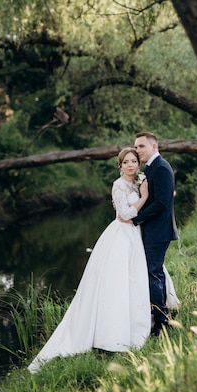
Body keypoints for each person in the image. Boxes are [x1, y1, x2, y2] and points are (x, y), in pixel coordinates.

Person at [27, 148, 152, 373]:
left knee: (134, 281)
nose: (131, 165)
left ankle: (137, 325)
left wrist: (142, 194)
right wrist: (143, 198)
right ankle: (111, 335)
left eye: (134, 161)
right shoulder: (119, 185)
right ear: (120, 165)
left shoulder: (138, 182)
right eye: (126, 162)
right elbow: (124, 214)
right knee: (117, 284)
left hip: (136, 235)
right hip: (122, 235)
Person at [121, 132, 179, 336]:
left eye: (141, 147)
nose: (138, 150)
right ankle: (161, 315)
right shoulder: (151, 167)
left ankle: (161, 322)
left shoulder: (161, 168)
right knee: (155, 273)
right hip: (152, 230)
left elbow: (161, 203)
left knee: (153, 274)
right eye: (136, 147)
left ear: (154, 146)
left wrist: (136, 217)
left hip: (158, 231)